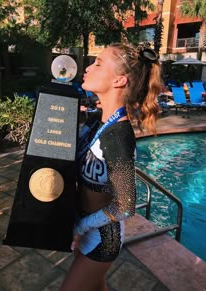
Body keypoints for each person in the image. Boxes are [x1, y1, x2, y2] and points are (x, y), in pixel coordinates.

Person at [60, 42, 162, 291]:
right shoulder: (97, 121)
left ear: (119, 80)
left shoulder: (118, 136)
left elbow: (125, 206)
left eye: (98, 63)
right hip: (83, 225)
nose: (88, 67)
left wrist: (80, 227)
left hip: (102, 238)